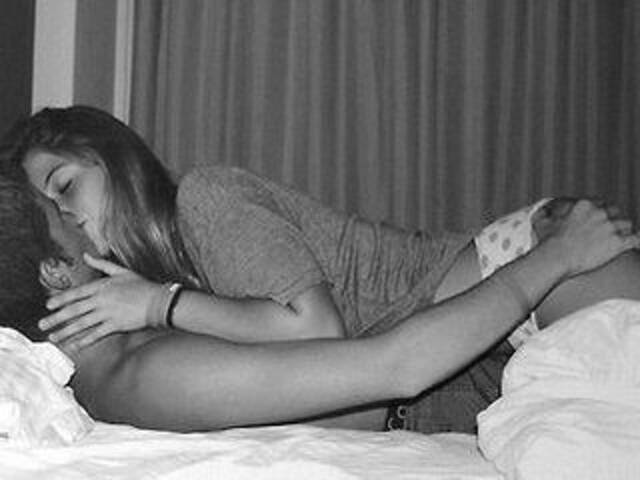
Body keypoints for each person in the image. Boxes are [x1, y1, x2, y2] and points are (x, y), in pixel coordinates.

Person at [1, 105, 640, 434]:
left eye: (66, 186)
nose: (72, 216)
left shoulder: (205, 201)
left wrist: (159, 304)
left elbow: (319, 333)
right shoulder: (145, 319)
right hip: (476, 348)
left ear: (116, 161)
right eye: (53, 209)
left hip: (521, 274)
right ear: (49, 271)